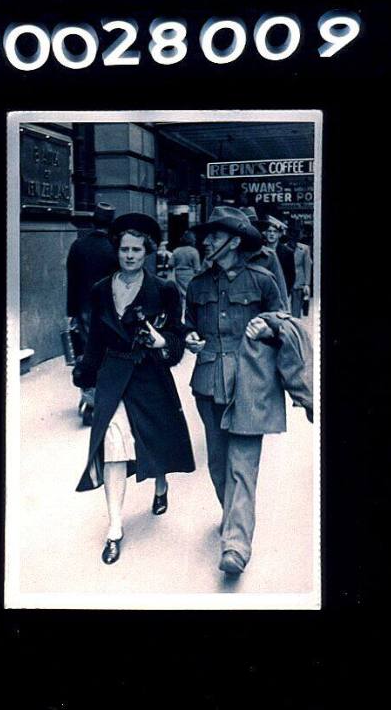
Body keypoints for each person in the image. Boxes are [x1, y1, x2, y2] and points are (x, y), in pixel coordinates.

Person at [73, 212, 195, 565]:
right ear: (117, 251)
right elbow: (95, 337)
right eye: (124, 249)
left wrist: (162, 341)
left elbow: (176, 336)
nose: (129, 255)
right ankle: (114, 529)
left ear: (147, 253)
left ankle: (160, 484)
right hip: (113, 374)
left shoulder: (165, 290)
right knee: (112, 447)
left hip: (149, 374)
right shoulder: (100, 290)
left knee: (152, 438)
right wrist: (86, 378)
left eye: (136, 250)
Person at [184, 206, 285, 576]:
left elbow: (284, 327)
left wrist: (268, 329)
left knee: (242, 466)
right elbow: (189, 326)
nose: (205, 240)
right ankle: (232, 519)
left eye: (213, 234)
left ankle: (236, 545)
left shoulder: (262, 281)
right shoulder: (197, 285)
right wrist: (190, 339)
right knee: (218, 466)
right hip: (208, 384)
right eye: (207, 234)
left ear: (234, 241)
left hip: (249, 385)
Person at [66, 202, 118, 425]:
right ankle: (102, 397)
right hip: (110, 309)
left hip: (85, 309)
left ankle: (89, 398)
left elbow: (72, 281)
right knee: (107, 354)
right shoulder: (114, 248)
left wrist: (71, 312)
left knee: (86, 354)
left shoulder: (78, 246)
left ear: (93, 221)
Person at [240, 207, 291, 309]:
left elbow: (281, 291)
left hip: (261, 316)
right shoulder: (230, 255)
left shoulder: (268, 256)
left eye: (253, 229)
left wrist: (284, 316)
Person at [257, 213, 296, 299]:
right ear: (265, 233)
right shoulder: (259, 249)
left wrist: (285, 294)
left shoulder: (287, 252)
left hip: (279, 292)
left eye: (275, 232)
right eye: (269, 231)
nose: (272, 234)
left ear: (279, 234)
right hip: (261, 292)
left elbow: (291, 276)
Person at [286, 222, 312, 318]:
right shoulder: (284, 248)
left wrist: (307, 284)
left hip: (298, 283)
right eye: (291, 233)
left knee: (296, 311)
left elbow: (307, 266)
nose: (293, 236)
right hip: (286, 282)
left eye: (296, 234)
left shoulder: (304, 249)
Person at [170, 230, 201, 309]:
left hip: (178, 274)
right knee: (190, 293)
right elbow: (197, 268)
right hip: (190, 274)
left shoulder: (176, 251)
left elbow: (170, 263)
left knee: (180, 294)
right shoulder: (194, 251)